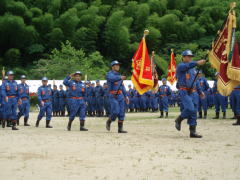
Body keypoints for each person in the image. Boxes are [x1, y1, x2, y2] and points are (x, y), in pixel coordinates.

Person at [175, 50, 206, 138]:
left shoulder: (193, 69)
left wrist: (200, 92)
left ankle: (193, 132)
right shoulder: (181, 66)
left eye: (191, 56)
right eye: (188, 56)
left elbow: (195, 81)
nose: (190, 58)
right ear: (183, 57)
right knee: (190, 108)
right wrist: (197, 62)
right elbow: (187, 66)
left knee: (194, 112)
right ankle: (179, 119)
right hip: (184, 91)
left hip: (193, 92)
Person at [106, 60, 129, 133]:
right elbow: (112, 79)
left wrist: (126, 96)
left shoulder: (119, 76)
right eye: (116, 65)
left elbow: (122, 87)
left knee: (122, 112)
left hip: (120, 95)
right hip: (112, 95)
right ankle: (109, 120)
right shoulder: (109, 74)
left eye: (119, 65)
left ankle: (120, 129)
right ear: (113, 67)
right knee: (115, 111)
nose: (118, 66)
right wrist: (120, 78)